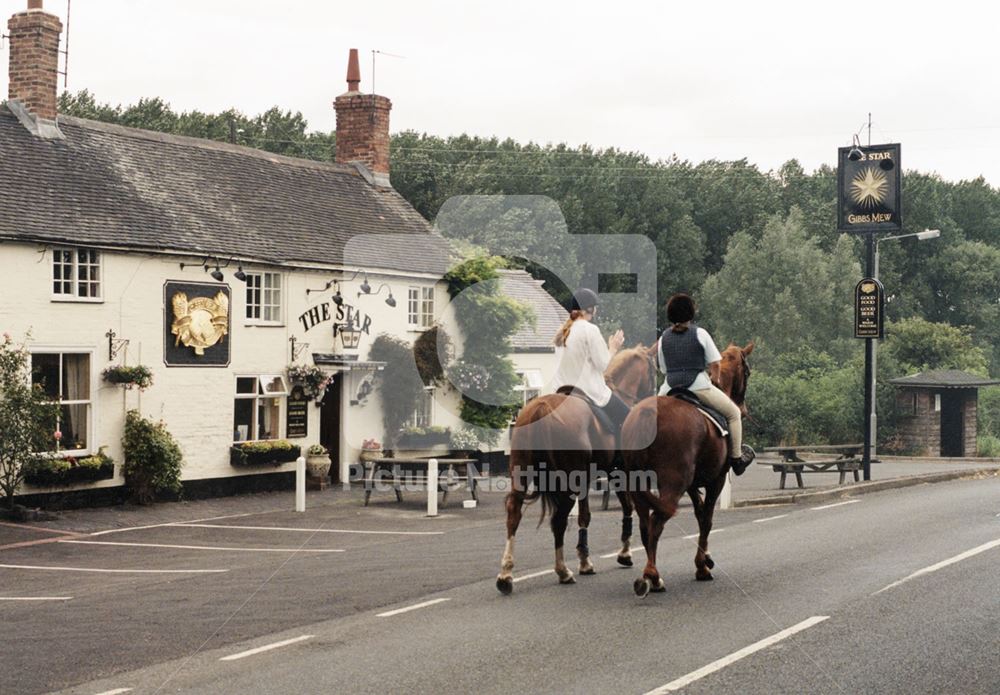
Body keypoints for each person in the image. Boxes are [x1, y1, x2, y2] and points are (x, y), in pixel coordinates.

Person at [657, 293, 754, 475]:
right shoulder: (700, 333)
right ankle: (736, 458)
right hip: (698, 386)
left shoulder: (663, 338)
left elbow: (663, 368)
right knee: (733, 413)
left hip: (669, 388)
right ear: (690, 314)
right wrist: (715, 379)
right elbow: (715, 363)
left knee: (648, 418)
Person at [552, 288, 630, 433]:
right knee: (630, 419)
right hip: (589, 392)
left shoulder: (562, 331)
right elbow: (603, 365)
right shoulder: (590, 330)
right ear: (590, 309)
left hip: (560, 393)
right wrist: (613, 348)